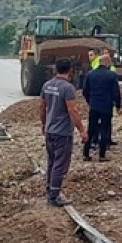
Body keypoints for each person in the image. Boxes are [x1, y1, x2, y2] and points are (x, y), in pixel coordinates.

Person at [40, 58, 86, 207]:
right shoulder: (68, 88)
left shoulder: (47, 85)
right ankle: (54, 195)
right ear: (70, 70)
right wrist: (82, 130)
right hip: (62, 132)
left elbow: (42, 107)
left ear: (56, 69)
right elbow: (72, 110)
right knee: (60, 164)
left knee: (52, 161)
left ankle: (50, 188)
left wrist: (44, 124)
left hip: (50, 130)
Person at [81, 53, 121, 161]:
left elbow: (85, 91)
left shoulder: (90, 74)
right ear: (107, 63)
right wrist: (118, 105)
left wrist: (90, 101)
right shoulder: (111, 75)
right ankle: (102, 155)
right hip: (106, 106)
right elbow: (116, 93)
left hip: (94, 105)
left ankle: (86, 153)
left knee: (91, 129)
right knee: (104, 129)